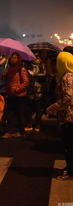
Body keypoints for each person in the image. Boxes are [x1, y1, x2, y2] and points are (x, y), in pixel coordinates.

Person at [47, 51, 73, 180]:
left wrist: (52, 108)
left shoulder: (67, 77)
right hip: (69, 116)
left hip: (70, 117)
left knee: (69, 145)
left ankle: (70, 171)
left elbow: (68, 98)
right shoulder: (69, 75)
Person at [2, 52, 29, 138]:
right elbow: (8, 81)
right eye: (12, 57)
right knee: (9, 113)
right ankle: (9, 131)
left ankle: (21, 131)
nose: (13, 59)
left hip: (20, 96)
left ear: (18, 59)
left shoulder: (21, 68)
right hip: (10, 95)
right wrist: (5, 75)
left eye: (15, 57)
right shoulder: (9, 68)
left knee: (20, 114)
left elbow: (26, 82)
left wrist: (17, 89)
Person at [26, 55, 46, 132]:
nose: (36, 59)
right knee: (29, 108)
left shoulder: (42, 66)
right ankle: (29, 123)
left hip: (38, 90)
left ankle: (38, 124)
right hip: (30, 89)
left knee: (38, 108)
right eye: (35, 57)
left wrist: (35, 74)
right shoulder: (28, 66)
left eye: (38, 57)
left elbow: (44, 74)